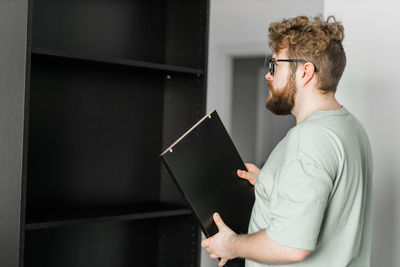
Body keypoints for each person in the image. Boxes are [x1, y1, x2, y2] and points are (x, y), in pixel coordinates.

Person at [201, 15, 373, 267]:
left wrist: (231, 244)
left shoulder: (309, 139)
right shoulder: (349, 126)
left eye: (275, 66)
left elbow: (290, 246)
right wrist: (270, 182)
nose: (268, 76)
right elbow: (328, 196)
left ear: (305, 71)